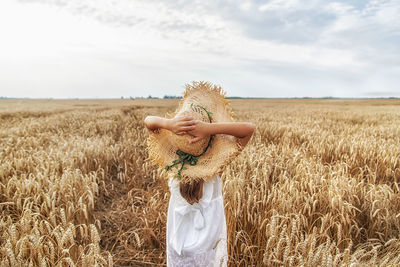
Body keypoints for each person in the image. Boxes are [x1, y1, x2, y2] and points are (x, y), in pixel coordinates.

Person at [144, 81, 254, 266]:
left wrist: (169, 124)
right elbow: (248, 129)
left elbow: (149, 121)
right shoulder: (215, 169)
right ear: (211, 145)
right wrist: (208, 129)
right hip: (209, 252)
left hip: (178, 247)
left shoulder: (175, 170)